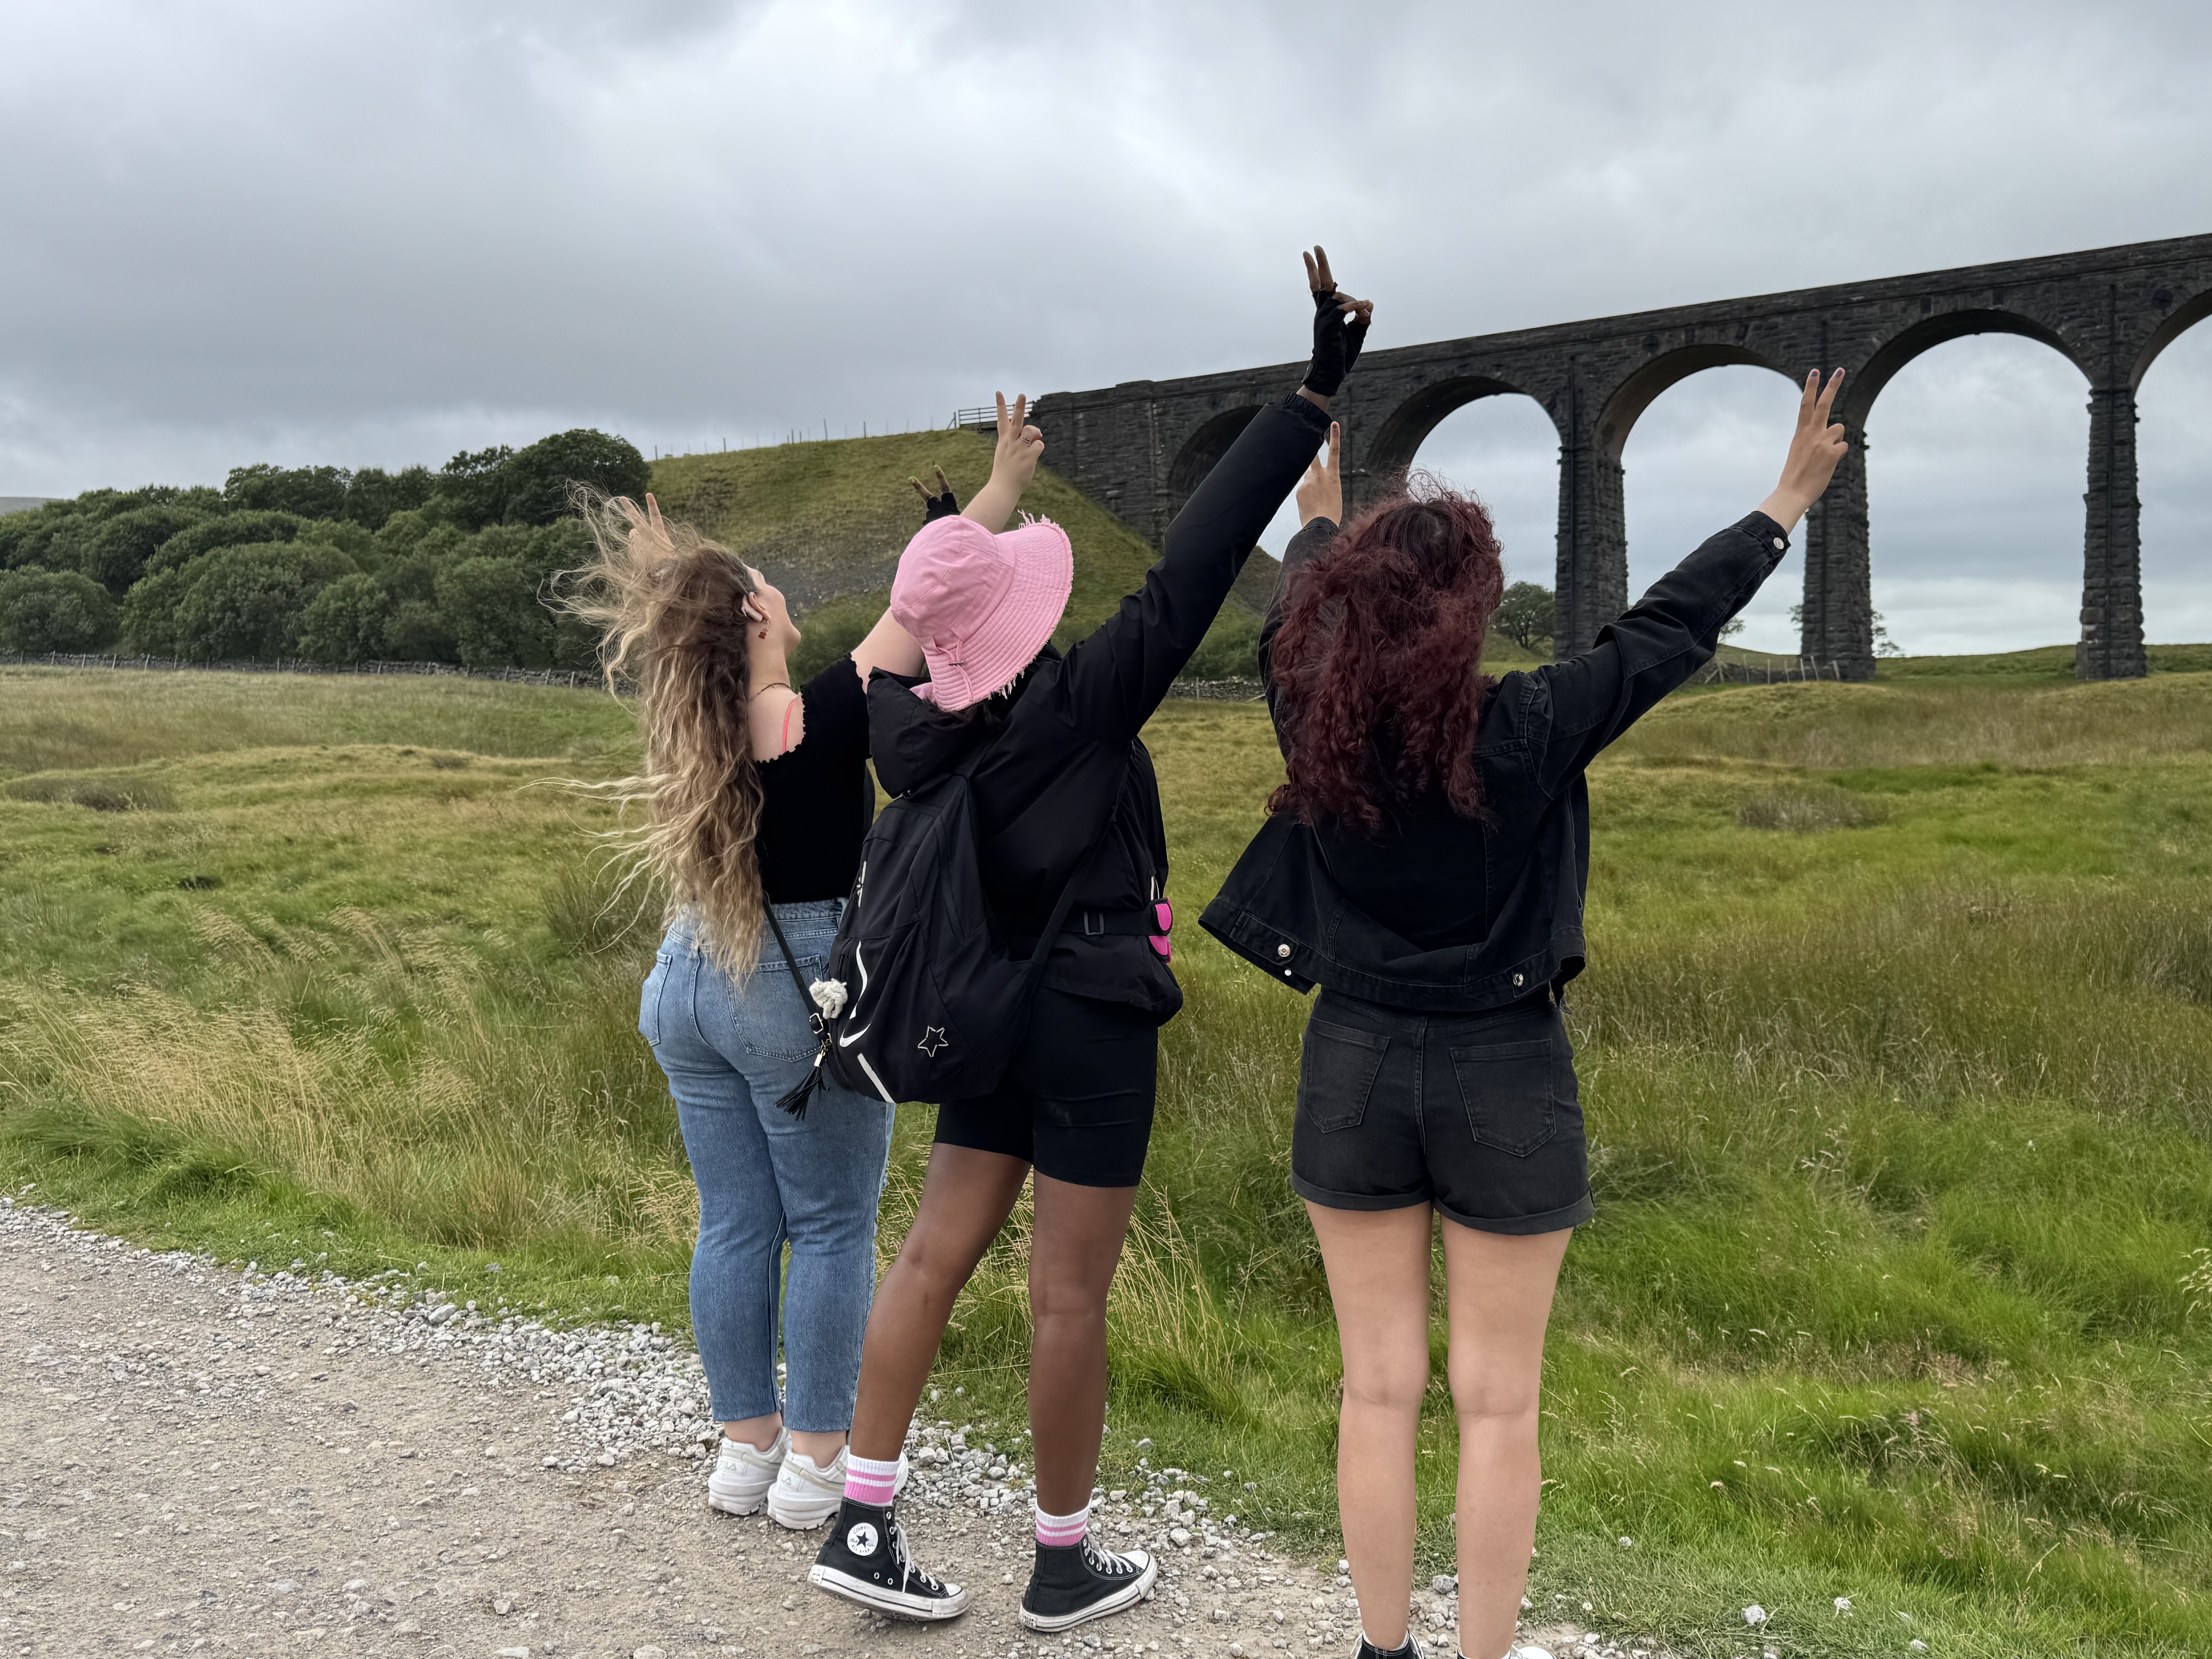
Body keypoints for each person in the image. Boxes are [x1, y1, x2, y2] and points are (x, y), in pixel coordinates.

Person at [1199, 369, 1849, 1659]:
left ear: (1351, 609)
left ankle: (1385, 1649)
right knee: (1499, 1410)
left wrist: (1322, 527)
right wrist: (1783, 502)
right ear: (1475, 608)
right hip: (1506, 1072)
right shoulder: (1532, 724)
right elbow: (1666, 629)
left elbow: (1295, 631)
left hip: (1355, 1063)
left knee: (1375, 1389)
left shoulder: (1309, 715)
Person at [807, 249, 1376, 1630]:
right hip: (1097, 1012)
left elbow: (899, 630)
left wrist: (982, 510)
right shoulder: (1079, 706)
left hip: (982, 1005)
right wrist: (1311, 394)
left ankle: (863, 1514)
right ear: (1025, 618)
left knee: (932, 1251)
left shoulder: (902, 724)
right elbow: (1193, 569)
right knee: (1069, 1298)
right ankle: (1060, 1561)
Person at [562, 432, 1022, 1531]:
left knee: (732, 1221)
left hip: (687, 974)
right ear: (758, 626)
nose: (778, 589)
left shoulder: (698, 723)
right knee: (826, 1223)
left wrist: (678, 570)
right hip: (789, 979)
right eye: (765, 586)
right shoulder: (821, 713)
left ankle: (744, 1447)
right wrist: (1001, 490)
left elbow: (740, 627)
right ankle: (818, 1461)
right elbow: (923, 604)